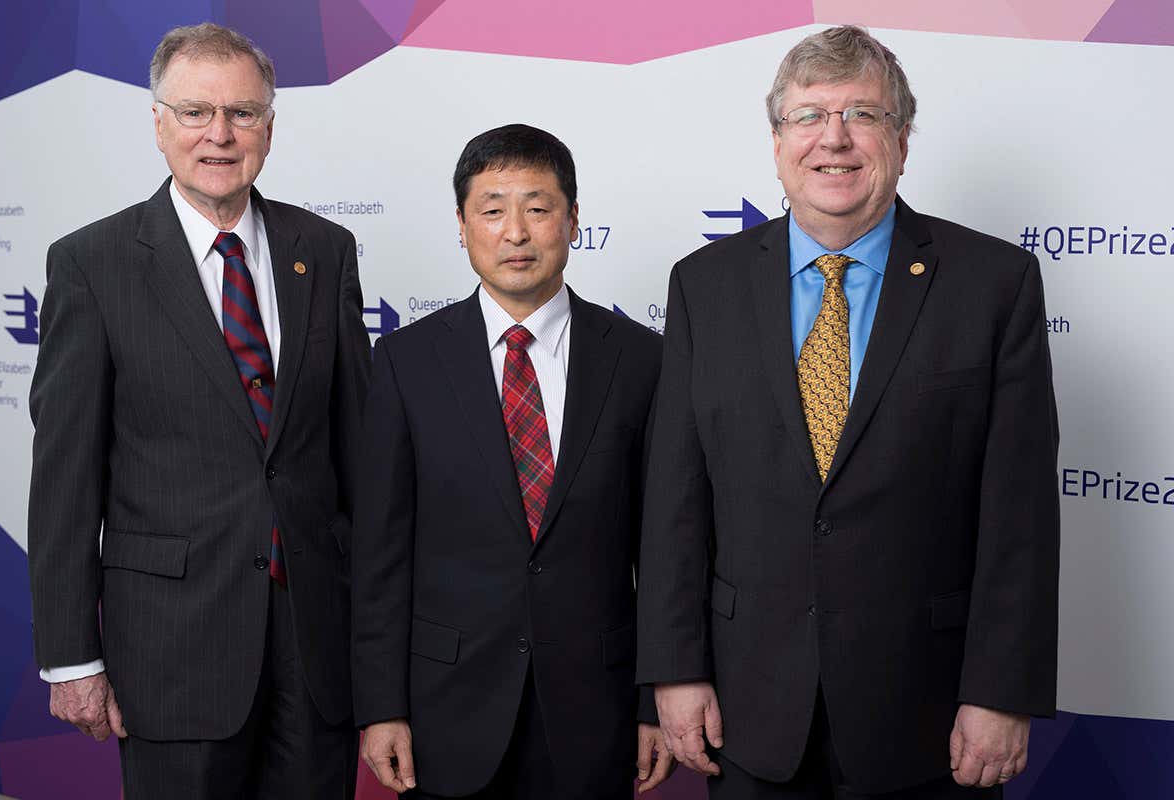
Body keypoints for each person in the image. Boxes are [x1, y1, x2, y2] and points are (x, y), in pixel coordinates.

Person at [637, 25, 1059, 799]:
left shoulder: (992, 284)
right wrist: (673, 669)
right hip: (749, 708)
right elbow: (675, 499)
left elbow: (1020, 515)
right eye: (808, 116)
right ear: (776, 141)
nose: (834, 138)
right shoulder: (705, 285)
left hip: (927, 714)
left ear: (901, 138)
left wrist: (1002, 691)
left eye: (863, 114)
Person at [27, 22, 370, 798]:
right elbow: (64, 480)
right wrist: (74, 657)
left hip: (317, 643)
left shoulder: (328, 249)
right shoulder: (92, 264)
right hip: (173, 648)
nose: (220, 134)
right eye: (194, 112)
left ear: (270, 129)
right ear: (157, 124)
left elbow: (355, 454)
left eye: (243, 114)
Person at [352, 123, 673, 799]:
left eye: (538, 206)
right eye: (493, 209)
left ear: (574, 219)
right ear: (463, 225)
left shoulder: (641, 361)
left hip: (597, 706)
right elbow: (380, 554)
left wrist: (655, 703)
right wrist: (382, 706)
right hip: (446, 707)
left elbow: (665, 547)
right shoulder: (407, 363)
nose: (516, 233)